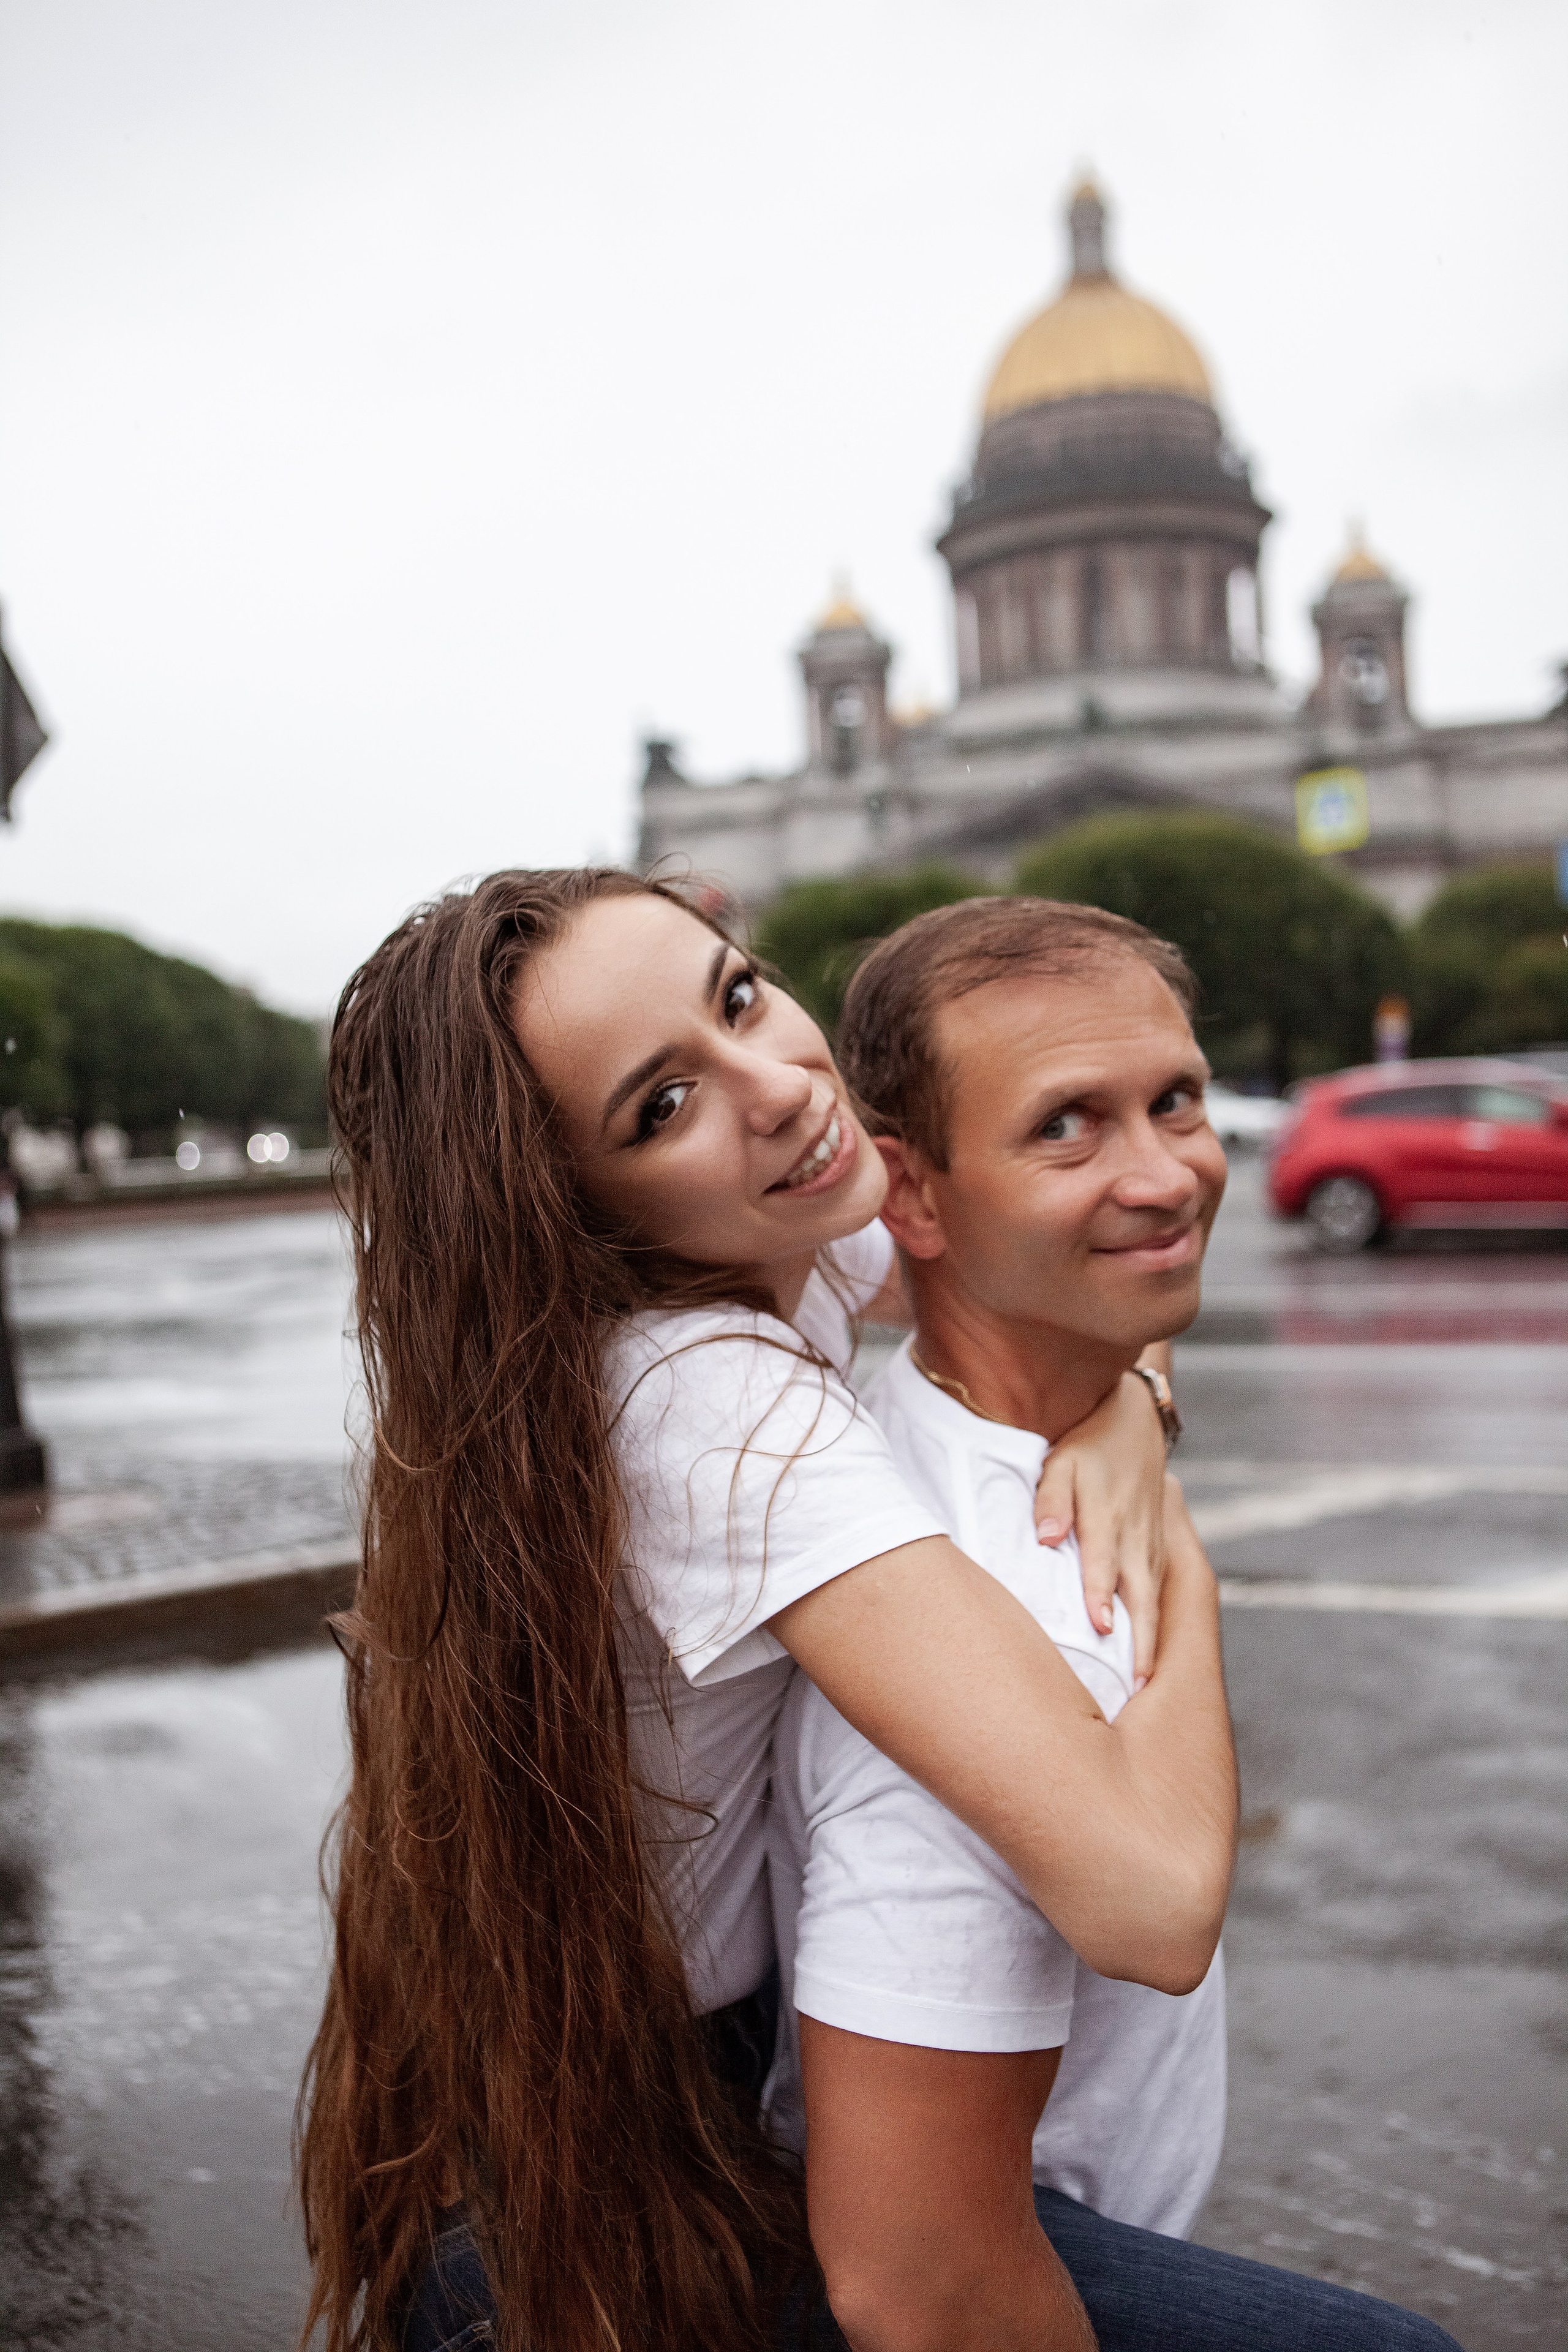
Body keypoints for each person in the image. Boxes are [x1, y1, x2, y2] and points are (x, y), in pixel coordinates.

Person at [297, 867, 1234, 2352]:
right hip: (648, 2119)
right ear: (570, 1203)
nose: (784, 1086)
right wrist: (1173, 1562)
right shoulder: (709, 1404)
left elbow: (1027, 1276)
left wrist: (1127, 1397)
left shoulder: (775, 1224)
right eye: (659, 1106)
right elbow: (1146, 1894)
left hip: (578, 2053)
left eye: (736, 995)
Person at [769, 895, 1461, 2352]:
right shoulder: (998, 1636)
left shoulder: (994, 1406)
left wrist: (1137, 1397)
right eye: (1066, 1128)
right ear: (911, 1196)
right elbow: (919, 2281)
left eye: (1176, 1101)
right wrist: (1183, 1587)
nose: (1167, 1176)